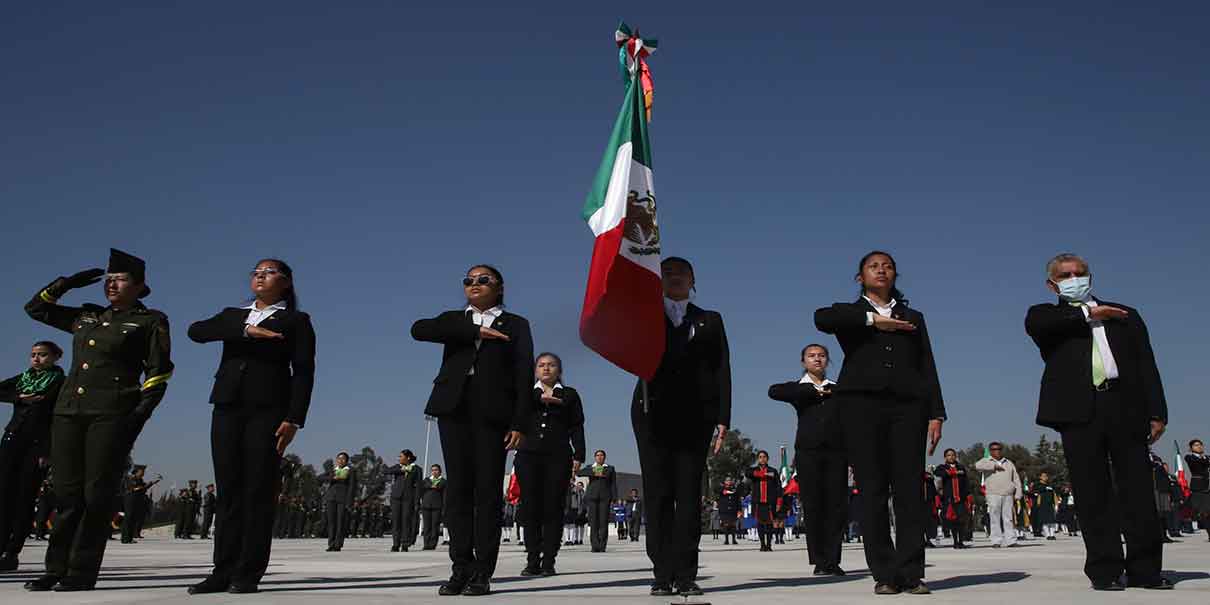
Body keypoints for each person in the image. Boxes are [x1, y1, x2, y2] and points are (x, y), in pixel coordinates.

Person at [23, 249, 173, 592]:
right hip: (69, 411)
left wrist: (136, 417)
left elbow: (159, 373)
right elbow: (36, 309)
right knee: (65, 492)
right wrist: (66, 284)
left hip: (111, 413)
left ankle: (81, 570)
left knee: (95, 494)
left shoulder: (150, 321)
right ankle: (55, 568)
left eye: (119, 279)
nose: (111, 285)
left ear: (139, 286)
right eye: (108, 280)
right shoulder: (87, 316)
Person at [1025, 253, 1171, 591]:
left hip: (1124, 405)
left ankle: (1145, 570)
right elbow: (1041, 327)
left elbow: (1147, 364)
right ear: (1053, 284)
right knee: (1092, 493)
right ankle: (1105, 570)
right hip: (1079, 411)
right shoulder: (1045, 315)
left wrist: (1158, 412)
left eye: (1080, 273)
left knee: (1137, 491)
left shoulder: (1125, 315)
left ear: (1091, 277)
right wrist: (1090, 313)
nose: (1075, 278)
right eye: (1066, 275)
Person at [815, 250, 945, 596]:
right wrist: (874, 321)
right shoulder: (851, 313)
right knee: (872, 490)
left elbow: (926, 363)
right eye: (874, 266)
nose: (881, 270)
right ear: (860, 277)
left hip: (909, 407)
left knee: (908, 491)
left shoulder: (913, 316)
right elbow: (822, 319)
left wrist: (937, 412)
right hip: (861, 407)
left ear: (895, 276)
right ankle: (884, 573)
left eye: (888, 266)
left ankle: (912, 572)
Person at [186, 258, 315, 595]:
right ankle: (221, 570)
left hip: (269, 410)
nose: (260, 275)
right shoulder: (233, 315)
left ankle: (248, 571)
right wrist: (244, 330)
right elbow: (196, 331)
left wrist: (294, 418)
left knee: (257, 490)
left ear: (286, 282)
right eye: (256, 271)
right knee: (228, 490)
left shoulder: (296, 320)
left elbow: (303, 372)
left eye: (270, 271)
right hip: (227, 406)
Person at [411, 264, 533, 597]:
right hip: (454, 410)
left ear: (500, 287)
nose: (474, 284)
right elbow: (419, 329)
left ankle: (483, 571)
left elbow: (524, 374)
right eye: (468, 280)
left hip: (494, 415)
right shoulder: (454, 320)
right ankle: (459, 568)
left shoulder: (516, 325)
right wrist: (475, 332)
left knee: (486, 494)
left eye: (483, 280)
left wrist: (520, 423)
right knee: (459, 493)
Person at [632, 256, 731, 597]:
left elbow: (722, 369)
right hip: (651, 411)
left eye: (681, 272)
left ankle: (687, 573)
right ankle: (661, 573)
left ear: (693, 280)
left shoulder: (709, 320)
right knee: (658, 494)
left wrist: (723, 418)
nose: (674, 277)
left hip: (696, 415)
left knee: (689, 497)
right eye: (667, 272)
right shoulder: (644, 314)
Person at [768, 343, 847, 575]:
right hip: (808, 452)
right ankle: (820, 561)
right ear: (803, 362)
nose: (817, 359)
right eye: (811, 356)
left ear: (828, 361)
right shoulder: (798, 388)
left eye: (822, 356)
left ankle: (833, 560)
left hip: (837, 452)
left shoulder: (838, 389)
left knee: (836, 506)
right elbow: (774, 391)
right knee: (813, 506)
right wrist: (812, 391)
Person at [513, 352, 585, 576]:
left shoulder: (570, 395)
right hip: (528, 455)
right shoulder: (525, 393)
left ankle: (549, 560)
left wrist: (579, 454)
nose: (546, 369)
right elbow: (514, 413)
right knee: (530, 508)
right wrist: (540, 399)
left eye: (551, 365)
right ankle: (532, 558)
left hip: (558, 456)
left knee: (553, 509)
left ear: (559, 370)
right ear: (535, 370)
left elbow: (577, 425)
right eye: (541, 365)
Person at [0, 341, 65, 571]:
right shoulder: (23, 378)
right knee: (4, 494)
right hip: (13, 437)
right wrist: (19, 398)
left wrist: (48, 450)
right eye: (33, 355)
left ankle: (12, 551)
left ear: (56, 357)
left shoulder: (59, 383)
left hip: (37, 445)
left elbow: (58, 419)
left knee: (25, 498)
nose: (37, 359)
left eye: (43, 355)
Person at [975, 442, 1023, 548]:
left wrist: (1018, 493)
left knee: (1008, 518)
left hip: (1008, 494)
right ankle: (996, 540)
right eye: (994, 449)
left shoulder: (1008, 463)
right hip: (993, 494)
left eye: (999, 449)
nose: (997, 451)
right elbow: (977, 466)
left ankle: (1011, 540)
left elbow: (1016, 479)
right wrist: (994, 466)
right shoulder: (986, 461)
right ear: (990, 451)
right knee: (994, 518)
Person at [577, 449, 616, 553]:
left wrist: (614, 498)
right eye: (598, 455)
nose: (600, 457)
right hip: (592, 497)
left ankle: (602, 545)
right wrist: (594, 472)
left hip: (605, 497)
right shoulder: (590, 467)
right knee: (593, 522)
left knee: (603, 522)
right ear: (595, 457)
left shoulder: (610, 468)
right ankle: (595, 545)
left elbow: (613, 484)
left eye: (602, 455)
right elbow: (580, 473)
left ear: (604, 457)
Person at [934, 449, 971, 549]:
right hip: (949, 499)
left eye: (953, 455)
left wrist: (968, 495)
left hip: (961, 498)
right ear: (945, 457)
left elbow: (966, 482)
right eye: (949, 455)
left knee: (962, 520)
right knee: (953, 521)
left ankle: (961, 541)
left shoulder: (961, 467)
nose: (951, 457)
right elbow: (937, 473)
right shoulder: (942, 467)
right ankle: (955, 541)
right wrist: (949, 472)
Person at [386, 450, 422, 552]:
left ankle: (405, 544)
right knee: (396, 521)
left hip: (408, 498)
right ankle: (395, 544)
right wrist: (401, 470)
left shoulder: (417, 469)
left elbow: (419, 486)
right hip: (396, 497)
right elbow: (387, 471)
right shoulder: (398, 467)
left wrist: (417, 501)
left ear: (408, 458)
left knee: (406, 521)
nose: (399, 458)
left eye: (401, 456)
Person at [746, 450, 782, 552]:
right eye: (760, 457)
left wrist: (779, 501)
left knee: (770, 524)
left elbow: (778, 487)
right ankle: (762, 544)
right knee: (760, 524)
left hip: (770, 502)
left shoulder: (773, 471)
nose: (762, 459)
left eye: (764, 457)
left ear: (767, 458)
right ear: (758, 459)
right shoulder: (753, 470)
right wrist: (760, 474)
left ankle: (769, 544)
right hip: (758, 502)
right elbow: (747, 473)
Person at [322, 452, 357, 552]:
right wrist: (332, 478)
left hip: (343, 498)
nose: (340, 461)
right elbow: (320, 478)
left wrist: (350, 501)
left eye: (343, 459)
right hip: (331, 498)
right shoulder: (333, 470)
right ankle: (331, 544)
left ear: (346, 461)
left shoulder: (350, 471)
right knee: (331, 522)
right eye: (338, 459)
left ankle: (338, 544)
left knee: (340, 522)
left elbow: (352, 487)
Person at [120, 466, 159, 544]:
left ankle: (129, 537)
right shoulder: (130, 478)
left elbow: (143, 489)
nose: (143, 473)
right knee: (128, 518)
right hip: (130, 500)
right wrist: (141, 487)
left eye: (143, 472)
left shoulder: (139, 480)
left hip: (136, 500)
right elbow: (133, 488)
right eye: (142, 472)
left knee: (133, 519)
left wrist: (152, 483)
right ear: (136, 471)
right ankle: (125, 538)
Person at [1185, 439, 1210, 541]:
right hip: (1198, 488)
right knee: (1204, 512)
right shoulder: (1189, 457)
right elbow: (1198, 463)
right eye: (1196, 445)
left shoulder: (1207, 457)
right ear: (1191, 448)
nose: (1199, 446)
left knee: (1208, 512)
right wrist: (1206, 460)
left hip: (1208, 487)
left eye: (1200, 445)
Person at [420, 464, 445, 550]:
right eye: (433, 470)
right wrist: (431, 486)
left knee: (435, 526)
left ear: (440, 471)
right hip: (426, 505)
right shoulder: (426, 480)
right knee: (427, 526)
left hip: (437, 506)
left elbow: (444, 494)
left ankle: (432, 544)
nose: (434, 471)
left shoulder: (443, 481)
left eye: (436, 470)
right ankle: (426, 544)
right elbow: (422, 489)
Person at [717, 479, 742, 545]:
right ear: (725, 482)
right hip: (724, 511)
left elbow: (738, 500)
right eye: (727, 480)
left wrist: (739, 510)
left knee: (733, 526)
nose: (728, 481)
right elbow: (720, 491)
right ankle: (726, 540)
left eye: (729, 480)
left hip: (733, 510)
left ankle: (734, 540)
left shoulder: (735, 489)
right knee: (725, 526)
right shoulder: (722, 489)